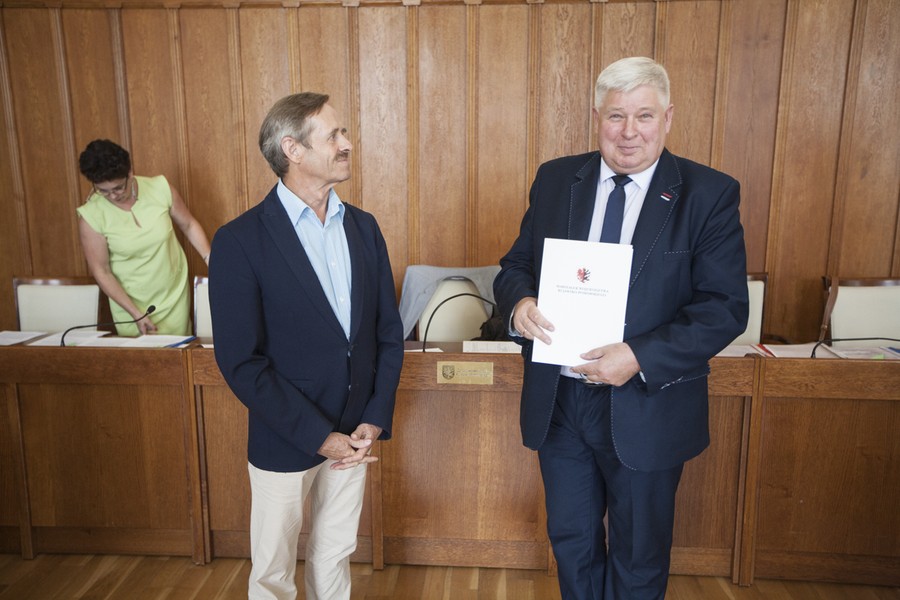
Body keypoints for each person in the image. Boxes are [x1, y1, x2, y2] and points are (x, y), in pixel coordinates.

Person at [493, 56, 748, 600]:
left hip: (646, 404)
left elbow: (724, 308)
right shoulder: (557, 179)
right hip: (561, 401)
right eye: (616, 116)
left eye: (644, 116)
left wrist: (637, 356)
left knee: (639, 554)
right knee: (572, 544)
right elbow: (516, 265)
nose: (629, 132)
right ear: (597, 118)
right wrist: (519, 303)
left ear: (667, 118)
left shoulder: (708, 193)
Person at [208, 92, 404, 600]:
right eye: (333, 135)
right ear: (292, 150)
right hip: (285, 435)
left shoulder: (364, 227)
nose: (347, 143)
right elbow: (240, 362)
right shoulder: (238, 240)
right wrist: (319, 436)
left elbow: (387, 333)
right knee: (273, 570)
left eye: (344, 133)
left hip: (356, 433)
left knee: (334, 555)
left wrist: (374, 418)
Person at [77, 139, 211, 336]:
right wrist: (136, 314)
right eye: (103, 191)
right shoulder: (91, 215)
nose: (112, 196)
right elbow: (102, 271)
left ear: (130, 173)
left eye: (118, 188)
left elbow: (189, 225)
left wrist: (210, 258)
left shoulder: (160, 188)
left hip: (173, 296)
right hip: (130, 306)